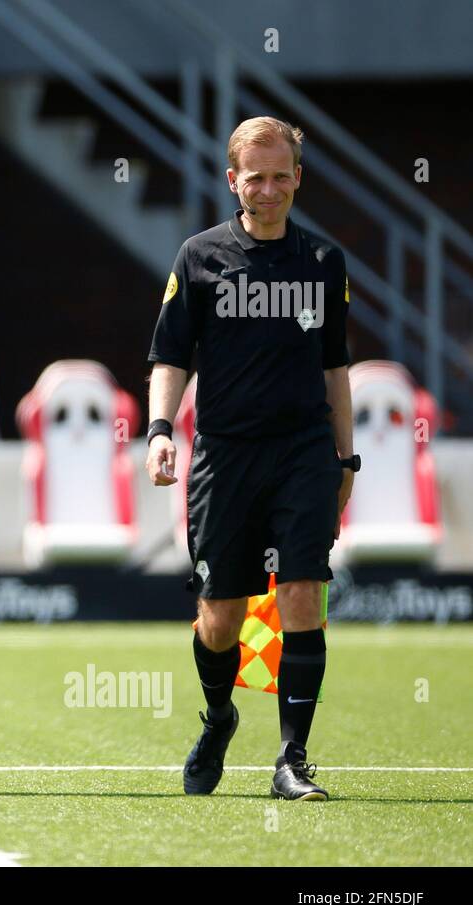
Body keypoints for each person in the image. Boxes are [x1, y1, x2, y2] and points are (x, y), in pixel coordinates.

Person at [145, 116, 356, 801]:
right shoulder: (199, 257)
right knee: (220, 620)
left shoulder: (323, 263)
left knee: (301, 596)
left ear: (298, 177)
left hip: (302, 452)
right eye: (254, 177)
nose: (268, 189)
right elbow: (170, 357)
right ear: (233, 180)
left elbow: (336, 370)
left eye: (280, 175)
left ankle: (292, 758)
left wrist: (346, 460)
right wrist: (159, 429)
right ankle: (219, 716)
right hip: (224, 459)